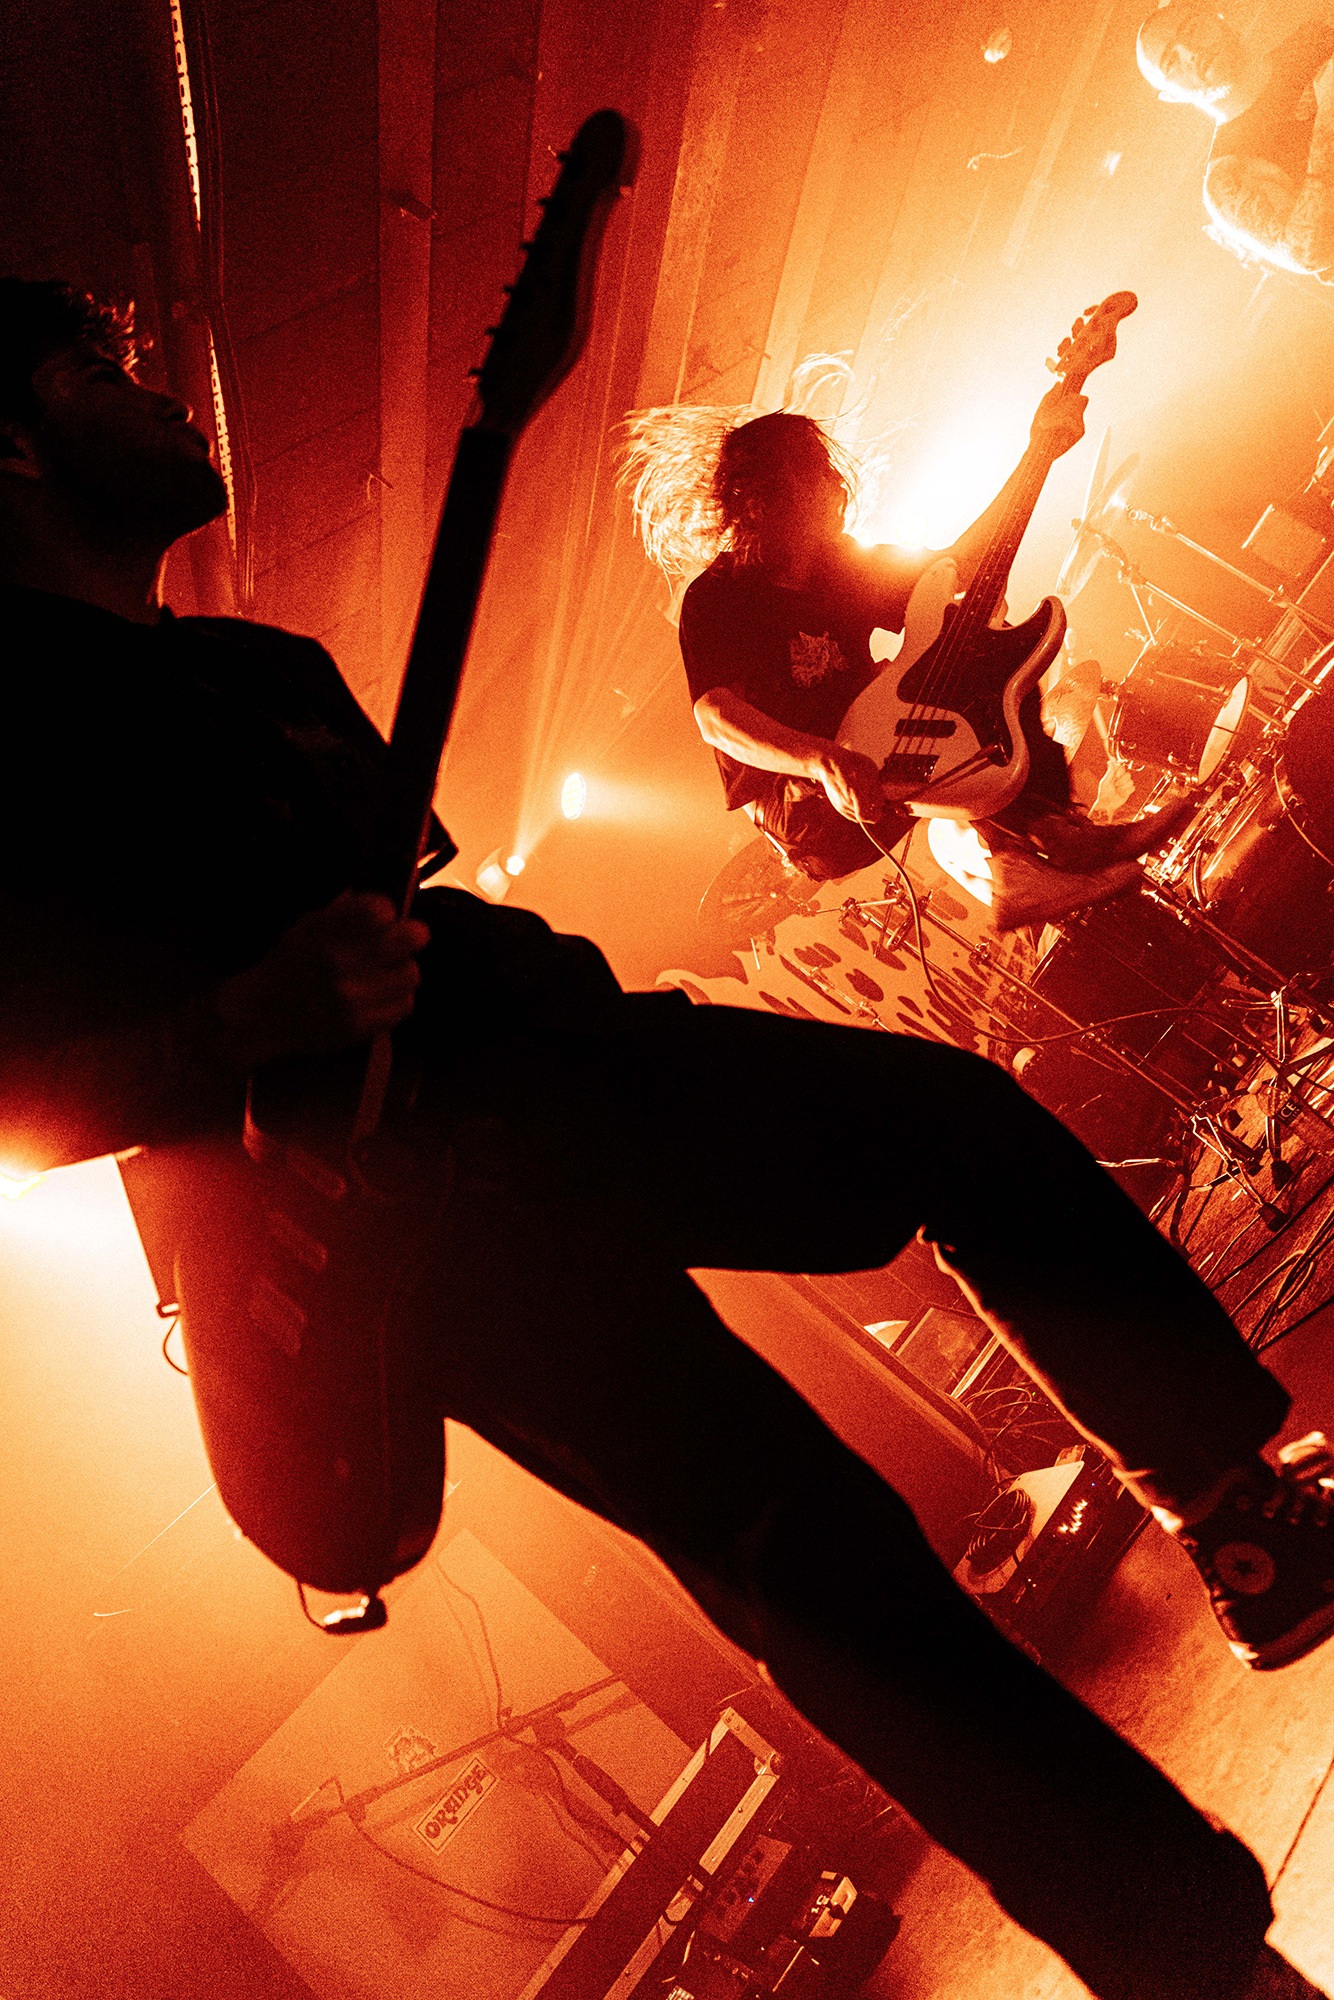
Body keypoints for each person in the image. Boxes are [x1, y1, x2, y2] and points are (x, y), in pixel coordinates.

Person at [2, 276, 1332, 2000]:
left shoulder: (257, 671)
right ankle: (1194, 1962)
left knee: (952, 1125)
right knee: (820, 1564)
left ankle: (1232, 1512)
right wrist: (242, 1025)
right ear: (10, 446)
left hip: (552, 1059)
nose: (162, 391)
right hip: (420, 1234)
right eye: (95, 371)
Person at [676, 406, 1187, 929]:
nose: (834, 486)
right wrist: (821, 760)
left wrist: (1039, 452)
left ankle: (1032, 856)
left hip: (881, 753)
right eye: (815, 475)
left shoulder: (839, 565)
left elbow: (955, 567)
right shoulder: (717, 598)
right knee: (940, 666)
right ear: (764, 500)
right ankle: (1034, 854)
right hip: (807, 808)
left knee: (981, 650)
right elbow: (715, 717)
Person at [1137, 4, 1334, 279]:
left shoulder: (1316, 35)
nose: (1190, 53)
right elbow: (1308, 252)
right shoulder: (1227, 178)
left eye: (1193, 29)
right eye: (1171, 62)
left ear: (1219, 18)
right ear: (1172, 96)